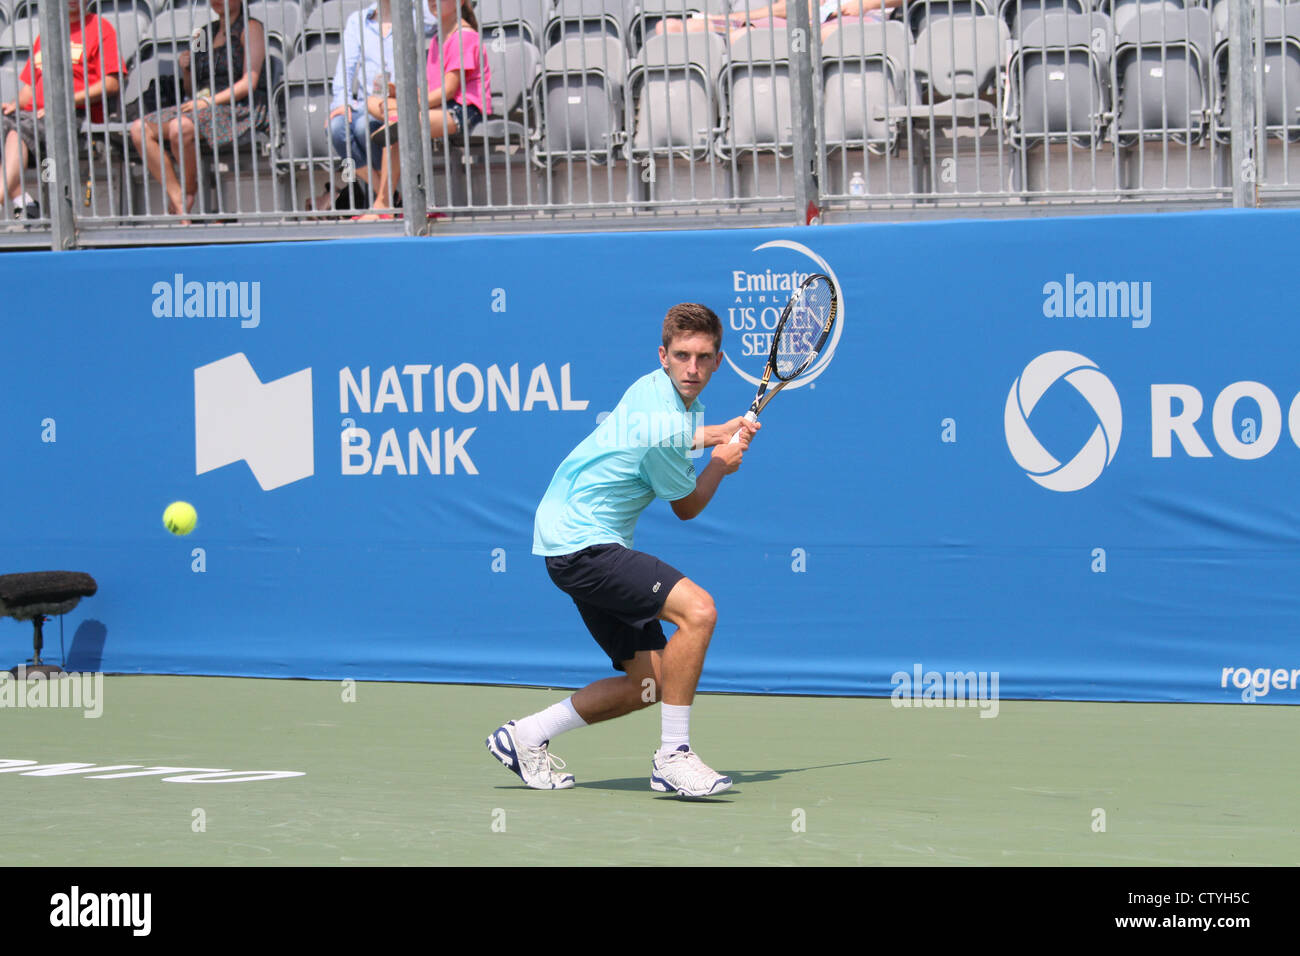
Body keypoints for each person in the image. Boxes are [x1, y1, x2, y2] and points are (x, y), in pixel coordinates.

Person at [486, 304, 761, 798]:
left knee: (648, 684)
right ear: (664, 356)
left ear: (718, 360)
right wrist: (719, 451)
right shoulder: (657, 410)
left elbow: (683, 471)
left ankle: (525, 737)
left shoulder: (666, 399)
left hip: (575, 545)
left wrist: (718, 449)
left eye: (703, 357)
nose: (692, 368)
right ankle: (673, 756)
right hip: (582, 544)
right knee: (699, 611)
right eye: (682, 356)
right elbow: (673, 476)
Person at [128, 0, 267, 221]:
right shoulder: (200, 35)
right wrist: (186, 70)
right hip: (199, 105)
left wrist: (210, 102)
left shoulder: (250, 28)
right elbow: (190, 88)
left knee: (180, 127)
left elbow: (249, 82)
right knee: (139, 129)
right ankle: (178, 197)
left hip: (236, 105)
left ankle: (189, 191)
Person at [358, 0, 490, 221]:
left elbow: (449, 90)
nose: (433, 2)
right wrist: (398, 93)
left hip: (462, 110)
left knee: (404, 123)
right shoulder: (439, 38)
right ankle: (396, 118)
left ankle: (383, 204)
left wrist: (412, 105)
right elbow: (432, 89)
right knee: (374, 102)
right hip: (440, 106)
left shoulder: (464, 37)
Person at [1, 0, 124, 219]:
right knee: (7, 125)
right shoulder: (48, 33)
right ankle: (24, 202)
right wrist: (12, 105)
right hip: (34, 113)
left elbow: (112, 83)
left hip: (70, 112)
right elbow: (29, 89)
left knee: (17, 132)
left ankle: (12, 199)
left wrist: (63, 99)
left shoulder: (100, 28)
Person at [311, 0, 397, 212]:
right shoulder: (357, 21)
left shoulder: (417, 14)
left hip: (396, 103)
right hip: (366, 104)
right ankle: (390, 196)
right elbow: (345, 70)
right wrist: (342, 103)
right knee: (336, 127)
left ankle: (382, 199)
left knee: (361, 128)